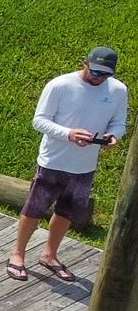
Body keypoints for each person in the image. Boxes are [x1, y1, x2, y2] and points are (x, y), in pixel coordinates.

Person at [9, 47, 128, 282]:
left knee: (66, 213)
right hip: (53, 161)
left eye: (105, 74)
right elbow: (39, 121)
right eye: (95, 72)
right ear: (85, 63)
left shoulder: (118, 90)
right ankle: (18, 254)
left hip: (85, 166)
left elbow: (119, 123)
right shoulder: (60, 85)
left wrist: (114, 136)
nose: (99, 78)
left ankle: (50, 255)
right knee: (34, 209)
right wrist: (69, 134)